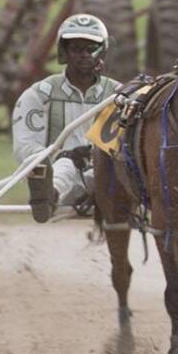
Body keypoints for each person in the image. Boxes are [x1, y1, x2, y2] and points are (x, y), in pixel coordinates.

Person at [14, 13, 122, 223]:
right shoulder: (39, 94)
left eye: (91, 49)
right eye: (76, 49)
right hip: (61, 175)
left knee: (114, 170)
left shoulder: (119, 95)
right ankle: (47, 197)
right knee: (65, 166)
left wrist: (96, 157)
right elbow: (25, 147)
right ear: (64, 52)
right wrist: (65, 155)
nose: (84, 55)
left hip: (105, 177)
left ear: (102, 52)